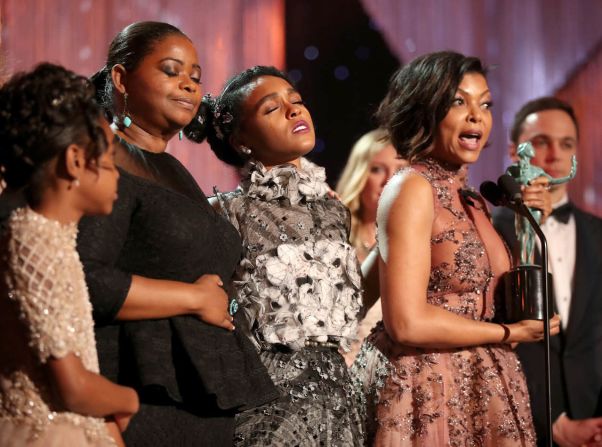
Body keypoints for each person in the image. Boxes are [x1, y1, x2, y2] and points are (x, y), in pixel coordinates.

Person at [77, 22, 277, 446]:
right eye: (171, 71)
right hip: (138, 393)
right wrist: (194, 298)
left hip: (197, 392)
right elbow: (82, 280)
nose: (188, 85)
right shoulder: (105, 160)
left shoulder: (174, 171)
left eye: (196, 77)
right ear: (120, 78)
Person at [352, 51, 561, 446]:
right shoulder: (412, 187)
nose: (476, 116)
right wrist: (505, 332)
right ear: (424, 109)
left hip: (487, 386)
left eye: (485, 104)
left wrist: (530, 222)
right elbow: (406, 323)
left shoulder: (472, 198)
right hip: (428, 386)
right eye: (458, 102)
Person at [185, 65, 365, 445]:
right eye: (272, 109)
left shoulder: (336, 212)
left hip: (338, 403)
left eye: (296, 101)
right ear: (241, 140)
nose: (294, 110)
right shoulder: (226, 212)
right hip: (265, 405)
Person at [0, 63, 138, 446]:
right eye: (109, 162)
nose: (117, 177)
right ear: (76, 161)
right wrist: (128, 399)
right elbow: (73, 388)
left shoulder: (52, 236)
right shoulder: (30, 236)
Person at [494, 97, 602, 447]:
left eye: (566, 144)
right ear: (515, 152)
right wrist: (550, 423)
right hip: (522, 423)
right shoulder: (490, 232)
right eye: (541, 142)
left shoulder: (599, 234)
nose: (555, 154)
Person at [336, 128, 407, 365]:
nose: (388, 180)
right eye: (377, 169)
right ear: (359, 174)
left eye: (400, 171)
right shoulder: (334, 238)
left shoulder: (420, 245)